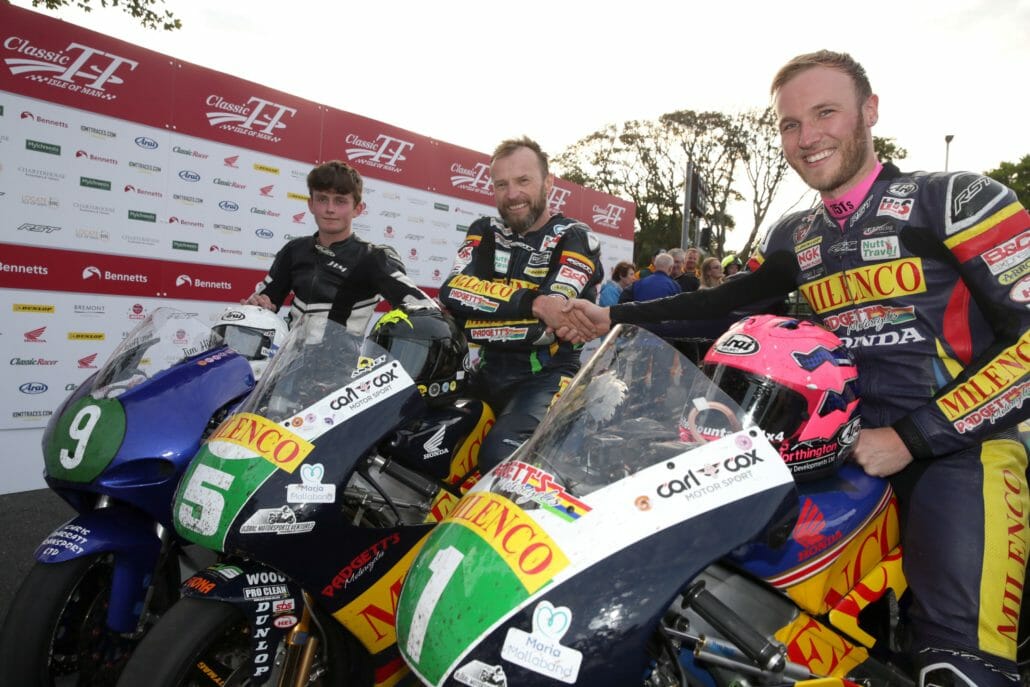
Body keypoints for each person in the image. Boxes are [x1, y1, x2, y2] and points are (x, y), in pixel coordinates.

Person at [556, 50, 1029, 686]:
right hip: (820, 447)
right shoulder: (795, 234)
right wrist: (612, 319)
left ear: (869, 112)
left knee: (956, 667)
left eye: (824, 113)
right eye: (789, 124)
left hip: (960, 450)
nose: (807, 138)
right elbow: (723, 307)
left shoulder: (954, 200)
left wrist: (913, 437)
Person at [438, 136, 603, 472]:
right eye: (502, 184)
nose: (512, 194)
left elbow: (548, 325)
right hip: (483, 373)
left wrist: (475, 319)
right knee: (428, 443)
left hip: (547, 378)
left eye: (523, 181)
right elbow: (453, 291)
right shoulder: (484, 230)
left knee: (500, 462)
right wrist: (533, 303)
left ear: (548, 182)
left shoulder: (576, 236)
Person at [243, 160, 433, 333]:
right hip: (288, 365)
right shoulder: (294, 250)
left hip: (343, 368)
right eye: (322, 199)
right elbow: (264, 303)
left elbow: (425, 309)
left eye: (340, 201)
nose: (330, 209)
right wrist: (259, 306)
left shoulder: (373, 258)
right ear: (311, 204)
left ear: (358, 209)